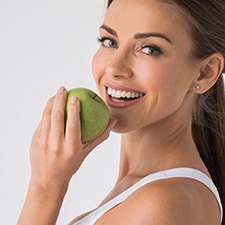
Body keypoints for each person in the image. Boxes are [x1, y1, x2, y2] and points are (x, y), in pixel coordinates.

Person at [18, 0, 225, 224]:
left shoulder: (165, 202)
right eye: (110, 41)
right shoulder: (144, 192)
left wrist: (45, 186)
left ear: (205, 72)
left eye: (149, 49)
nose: (114, 68)